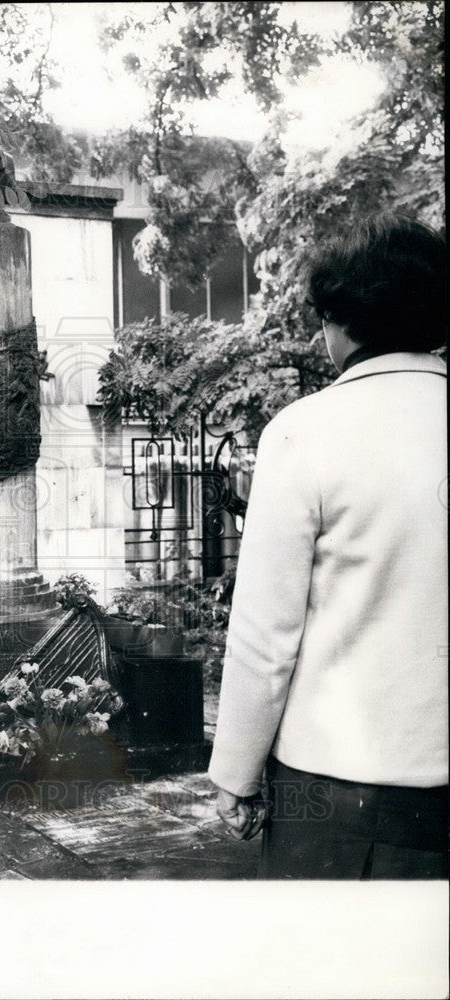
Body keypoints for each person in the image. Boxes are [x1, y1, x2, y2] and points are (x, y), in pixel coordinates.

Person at [207, 213, 448, 879]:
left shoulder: (306, 431)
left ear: (336, 320)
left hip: (339, 792)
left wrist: (234, 771)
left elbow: (266, 630)